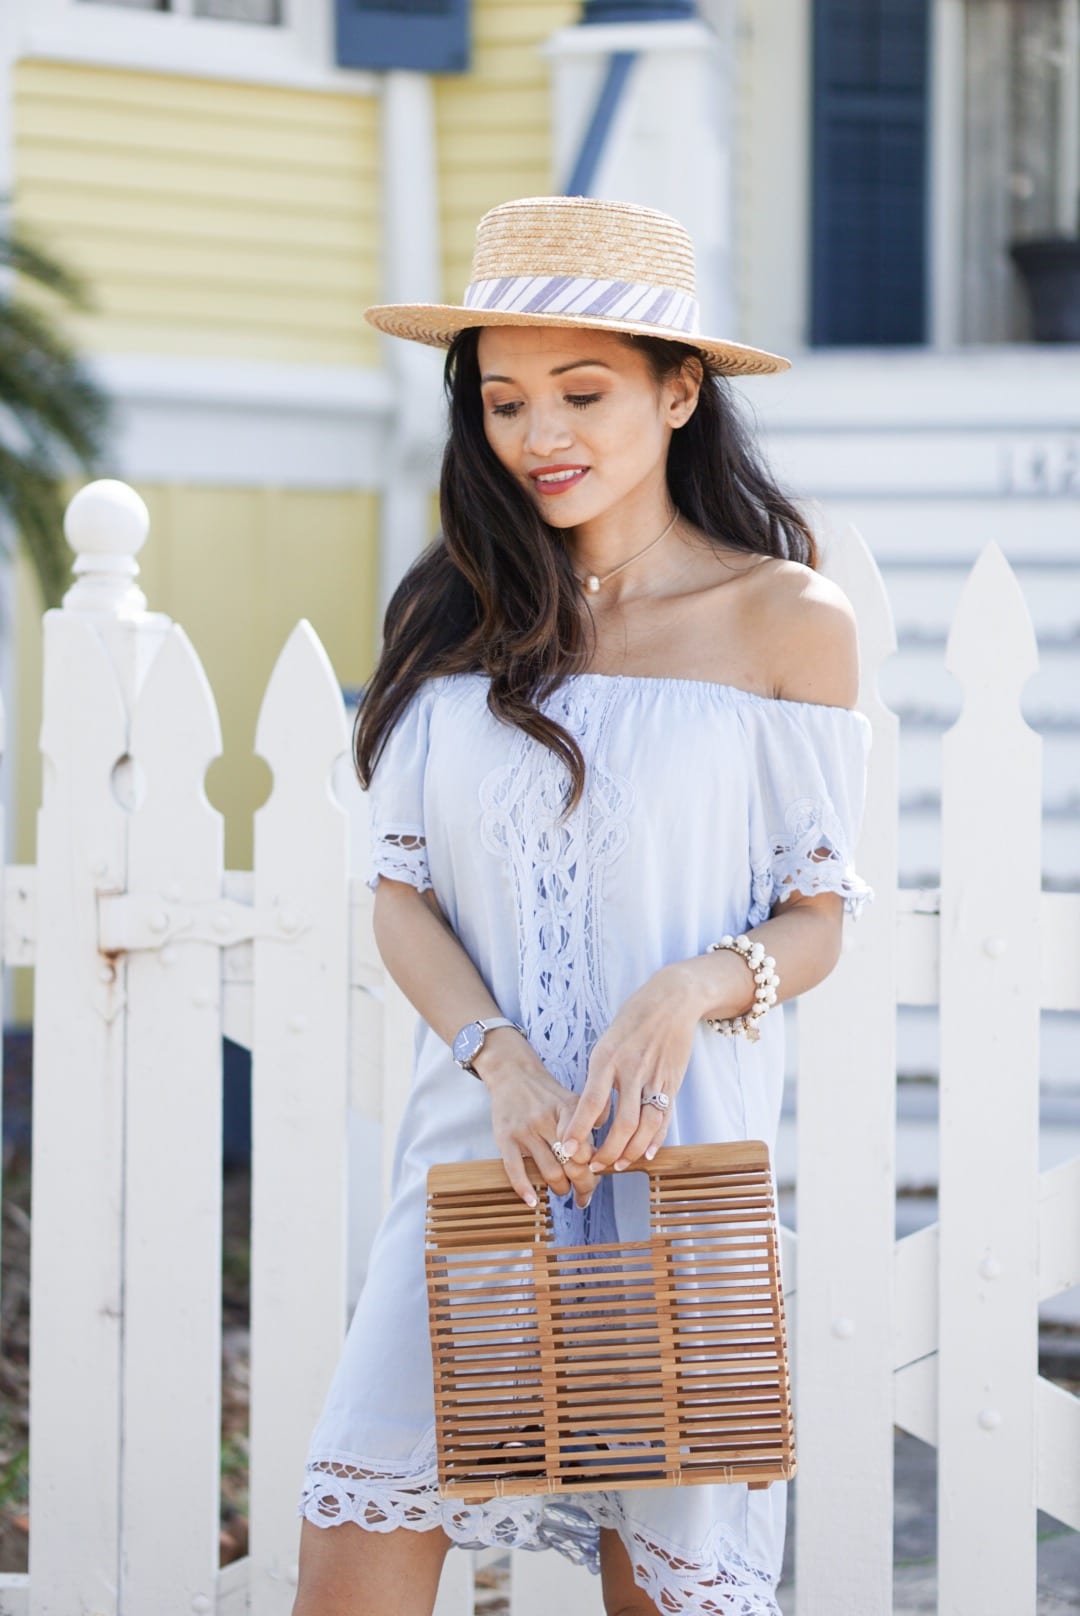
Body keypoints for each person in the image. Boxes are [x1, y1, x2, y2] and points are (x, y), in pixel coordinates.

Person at [292, 194, 875, 1616]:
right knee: (351, 1570)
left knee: (659, 1593)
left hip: (683, 1175)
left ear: (680, 393)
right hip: (481, 1165)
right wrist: (499, 1063)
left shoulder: (787, 622)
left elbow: (822, 916)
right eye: (501, 400)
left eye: (582, 391)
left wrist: (690, 987)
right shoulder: (457, 610)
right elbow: (401, 896)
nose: (537, 435)